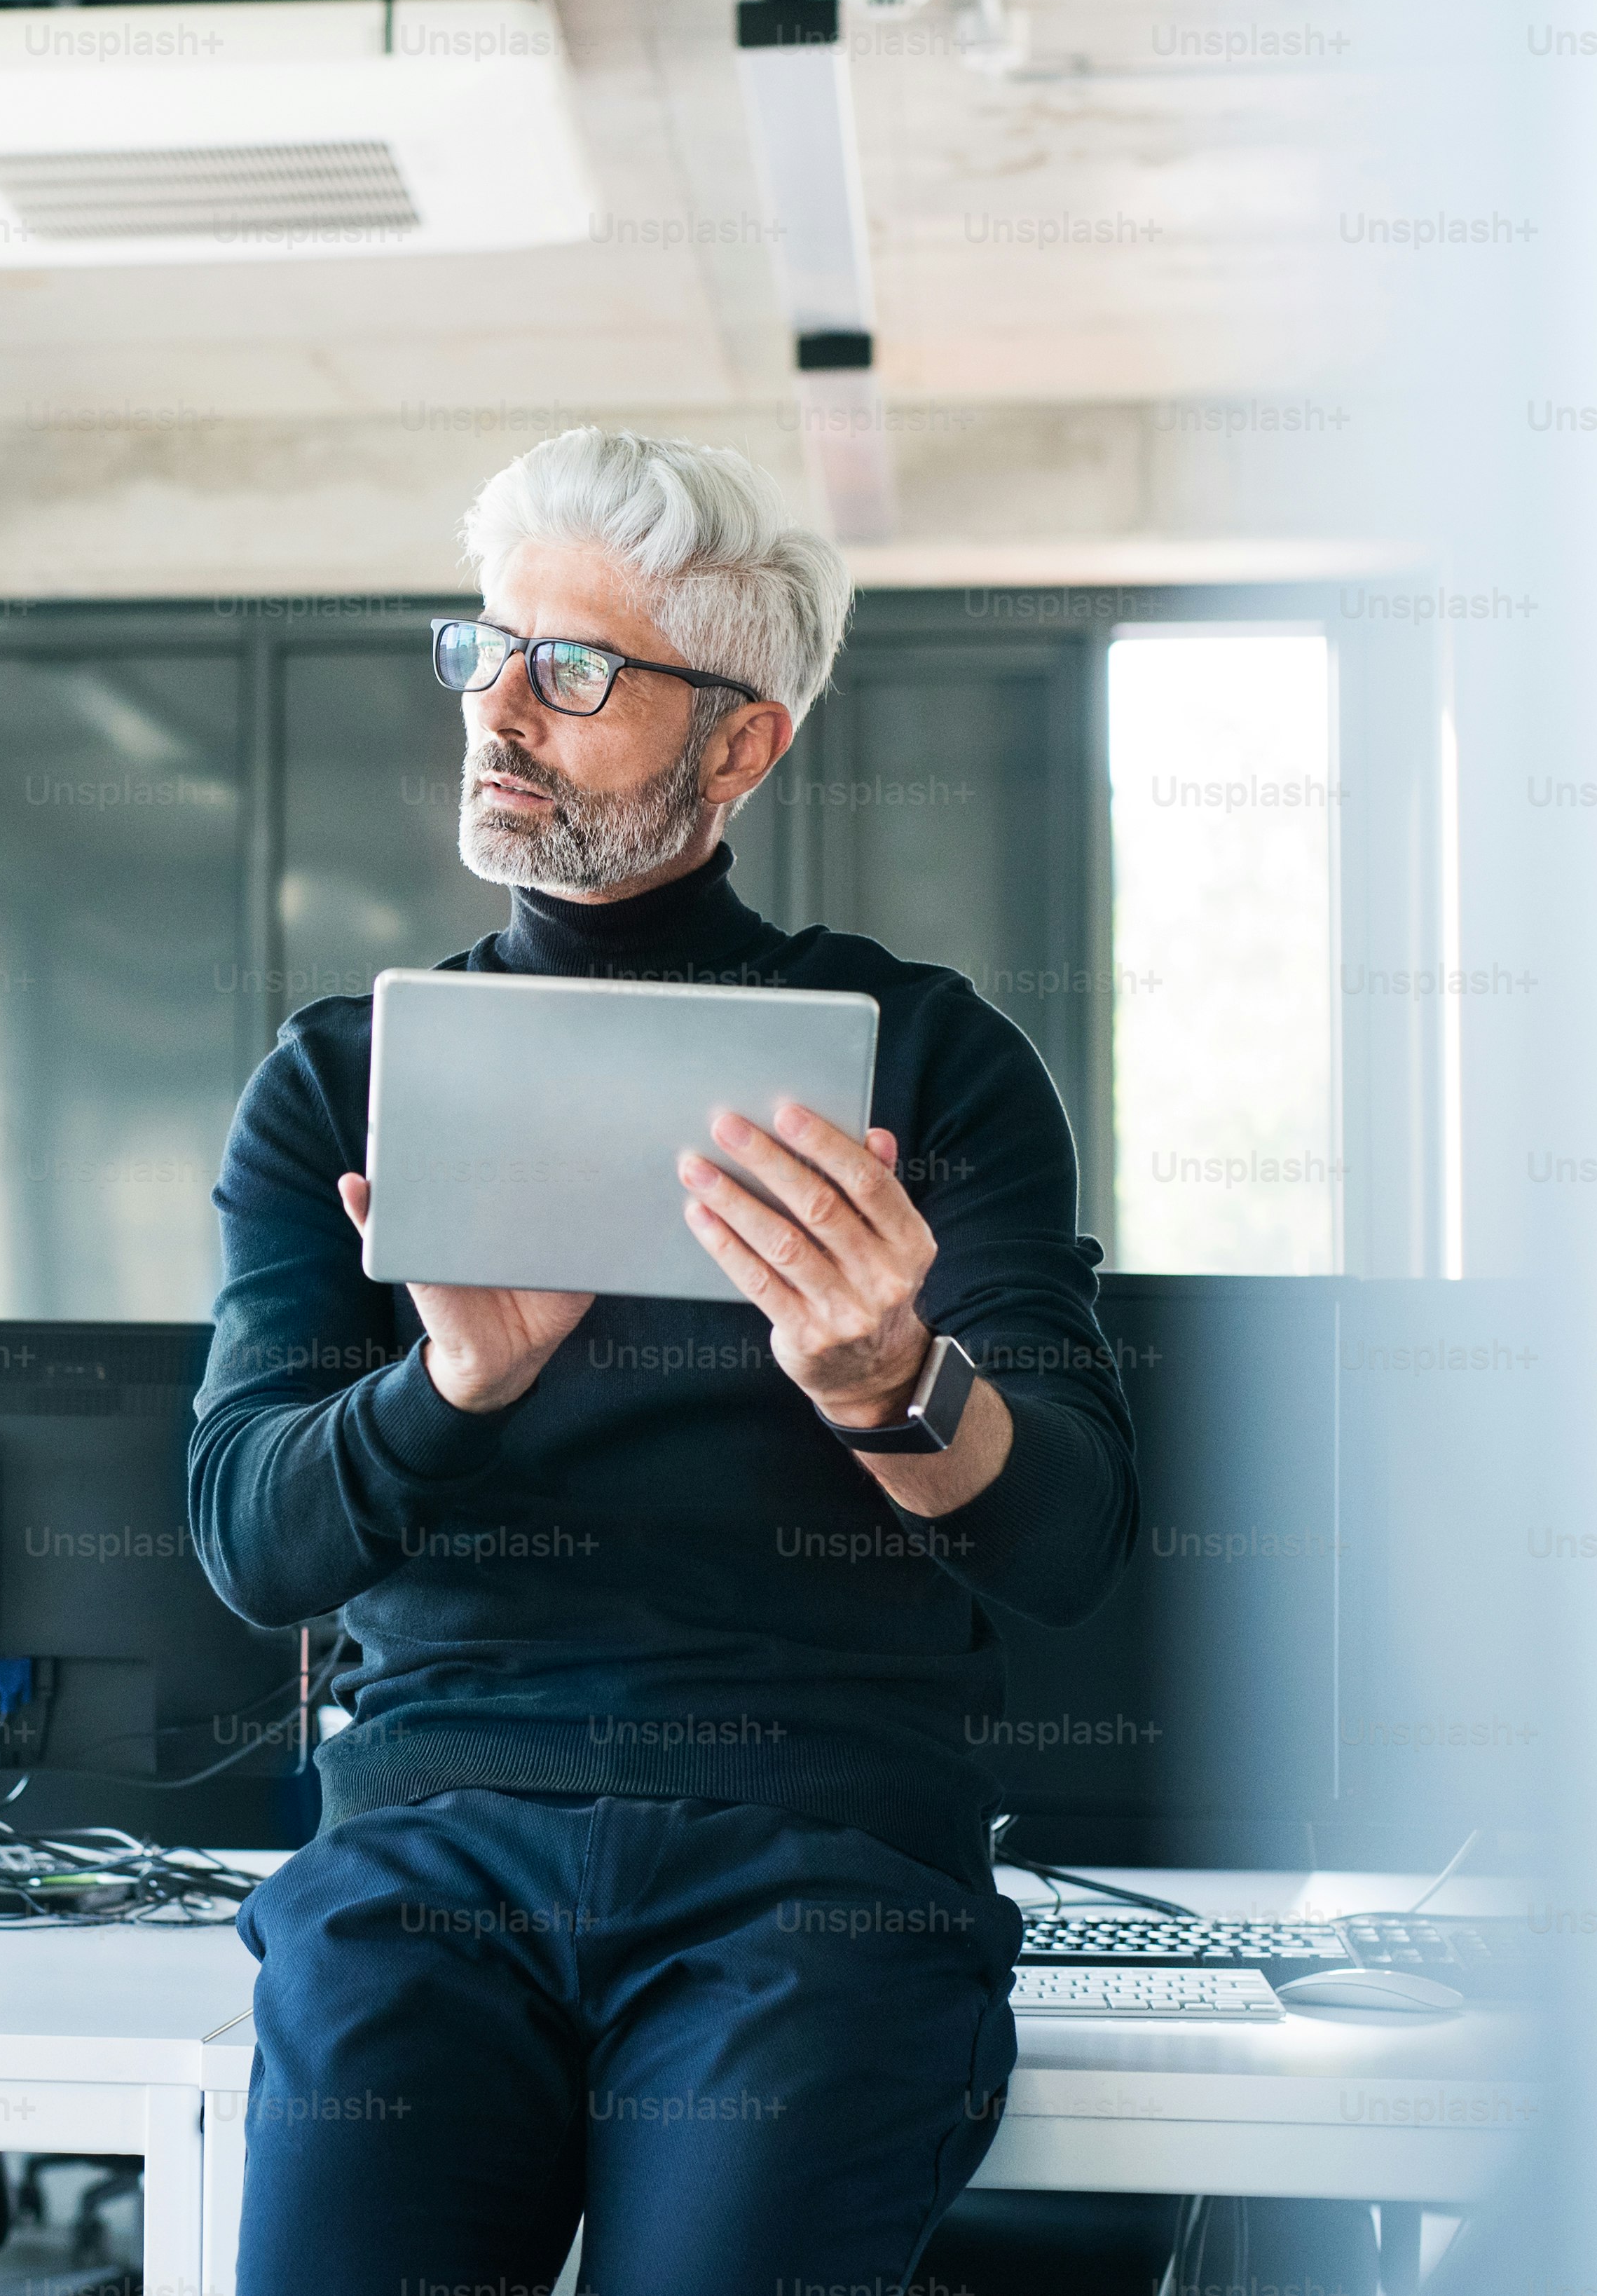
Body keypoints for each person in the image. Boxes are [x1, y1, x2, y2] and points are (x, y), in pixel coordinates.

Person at [191, 427, 1137, 2290]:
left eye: (576, 669)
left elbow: (1070, 1539)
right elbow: (248, 1539)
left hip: (813, 1862)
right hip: (428, 1860)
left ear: (742, 742)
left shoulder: (926, 1070)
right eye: (486, 649)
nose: (500, 708)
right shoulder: (337, 1080)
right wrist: (445, 1382)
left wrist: (888, 1377)